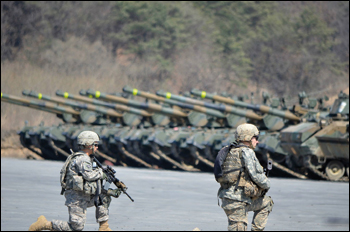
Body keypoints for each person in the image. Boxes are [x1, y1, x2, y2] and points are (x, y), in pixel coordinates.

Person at [29, 131, 121, 231]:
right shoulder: (82, 159)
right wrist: (102, 174)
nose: (97, 147)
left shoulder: (88, 159)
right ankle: (45, 224)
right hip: (76, 197)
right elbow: (89, 175)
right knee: (76, 227)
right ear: (89, 145)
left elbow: (92, 180)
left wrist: (109, 189)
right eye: (96, 144)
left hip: (85, 194)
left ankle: (104, 227)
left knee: (103, 197)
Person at [216, 123, 274, 231]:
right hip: (237, 201)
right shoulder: (247, 152)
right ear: (248, 137)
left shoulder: (230, 150)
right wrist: (267, 184)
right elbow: (256, 175)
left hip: (233, 198)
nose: (257, 141)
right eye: (255, 138)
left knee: (266, 203)